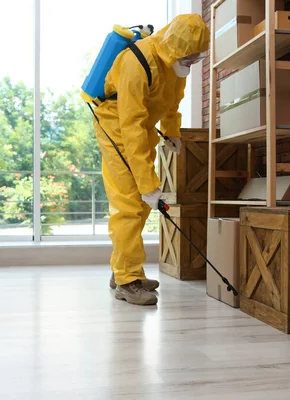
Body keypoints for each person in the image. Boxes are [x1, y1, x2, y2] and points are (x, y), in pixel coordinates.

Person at [92, 14, 210, 306]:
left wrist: (172, 133)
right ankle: (127, 281)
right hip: (115, 125)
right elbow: (130, 126)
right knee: (130, 204)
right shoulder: (136, 63)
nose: (194, 61)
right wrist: (148, 185)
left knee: (142, 206)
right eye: (190, 56)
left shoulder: (177, 62)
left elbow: (173, 100)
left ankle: (122, 270)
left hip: (142, 125)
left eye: (198, 56)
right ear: (176, 46)